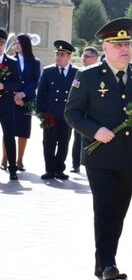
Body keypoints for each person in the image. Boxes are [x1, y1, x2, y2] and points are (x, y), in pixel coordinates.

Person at [64, 18, 132, 280]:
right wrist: (94, 130)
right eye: (119, 44)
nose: (125, 49)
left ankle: (103, 262)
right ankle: (109, 262)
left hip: (131, 155)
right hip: (100, 154)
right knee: (104, 208)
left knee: (119, 210)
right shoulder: (88, 76)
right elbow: (72, 113)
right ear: (106, 47)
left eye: (128, 44)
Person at [36, 40, 78, 180]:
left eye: (62, 54)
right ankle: (49, 169)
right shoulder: (49, 71)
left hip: (67, 115)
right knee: (49, 143)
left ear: (68, 56)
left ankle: (59, 169)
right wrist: (39, 111)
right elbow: (41, 93)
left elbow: (79, 95)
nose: (58, 57)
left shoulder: (76, 73)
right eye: (57, 54)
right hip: (50, 114)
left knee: (64, 143)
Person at [1, 33, 41, 173]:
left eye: (18, 43)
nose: (15, 45)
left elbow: (35, 81)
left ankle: (19, 161)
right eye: (15, 43)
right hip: (9, 100)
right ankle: (5, 159)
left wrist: (23, 95)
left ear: (25, 45)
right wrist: (14, 95)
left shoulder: (35, 62)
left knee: (23, 131)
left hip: (26, 101)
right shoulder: (10, 61)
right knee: (8, 131)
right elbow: (9, 80)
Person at [71, 46, 100, 173]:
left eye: (87, 56)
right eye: (83, 56)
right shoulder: (80, 73)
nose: (84, 58)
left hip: (97, 113)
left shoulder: (100, 73)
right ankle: (75, 164)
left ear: (96, 58)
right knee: (78, 139)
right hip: (82, 113)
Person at [0, 28, 21, 181]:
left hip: (6, 105)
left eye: (1, 43)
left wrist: (4, 86)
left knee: (9, 135)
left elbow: (17, 83)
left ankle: (12, 168)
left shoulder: (12, 62)